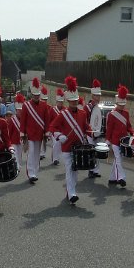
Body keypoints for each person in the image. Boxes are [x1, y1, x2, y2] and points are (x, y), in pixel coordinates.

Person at [49, 76, 92, 204]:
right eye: (72, 101)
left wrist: (92, 131)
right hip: (67, 147)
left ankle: (70, 190)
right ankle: (72, 193)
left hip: (78, 147)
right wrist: (59, 136)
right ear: (68, 101)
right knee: (69, 168)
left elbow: (85, 127)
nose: (74, 103)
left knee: (76, 170)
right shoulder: (63, 114)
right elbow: (52, 127)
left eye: (76, 101)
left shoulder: (83, 114)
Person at [20, 77, 50, 184]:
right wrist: (22, 133)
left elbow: (47, 120)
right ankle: (31, 173)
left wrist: (47, 132)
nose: (37, 96)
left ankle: (35, 172)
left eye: (38, 95)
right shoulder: (26, 105)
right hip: (29, 134)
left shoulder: (44, 105)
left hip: (39, 134)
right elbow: (23, 120)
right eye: (35, 95)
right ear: (32, 94)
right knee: (31, 152)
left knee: (37, 154)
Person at [105, 84, 133, 187]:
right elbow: (109, 129)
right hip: (115, 141)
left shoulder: (126, 113)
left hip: (124, 140)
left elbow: (128, 126)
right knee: (118, 158)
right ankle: (121, 177)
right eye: (120, 104)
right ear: (117, 103)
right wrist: (108, 140)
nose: (122, 106)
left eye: (123, 104)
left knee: (118, 159)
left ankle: (112, 178)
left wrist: (132, 132)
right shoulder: (112, 114)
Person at [86, 79, 103, 178]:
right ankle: (90, 170)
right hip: (90, 132)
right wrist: (90, 132)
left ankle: (96, 170)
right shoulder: (87, 107)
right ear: (92, 96)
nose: (98, 98)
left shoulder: (100, 107)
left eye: (99, 96)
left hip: (98, 132)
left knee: (98, 151)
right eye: (96, 96)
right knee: (91, 151)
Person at [46, 88, 65, 165]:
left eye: (61, 102)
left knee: (59, 144)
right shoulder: (52, 109)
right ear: (57, 102)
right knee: (56, 143)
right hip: (54, 131)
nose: (60, 103)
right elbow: (49, 120)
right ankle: (55, 159)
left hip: (62, 131)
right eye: (59, 102)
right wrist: (48, 131)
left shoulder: (65, 109)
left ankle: (56, 157)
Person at [4, 104, 22, 175]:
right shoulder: (12, 120)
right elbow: (9, 131)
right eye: (19, 111)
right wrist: (9, 141)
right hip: (13, 140)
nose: (20, 112)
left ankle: (19, 165)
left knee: (20, 154)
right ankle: (16, 167)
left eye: (21, 111)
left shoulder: (24, 119)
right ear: (16, 111)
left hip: (20, 140)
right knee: (16, 154)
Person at [39, 86, 49, 160]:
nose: (44, 101)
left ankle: (43, 152)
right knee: (40, 140)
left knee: (44, 140)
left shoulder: (49, 107)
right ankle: (40, 153)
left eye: (45, 100)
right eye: (43, 99)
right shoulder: (39, 106)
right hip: (39, 125)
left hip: (46, 125)